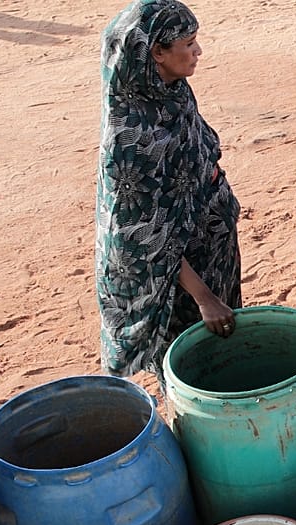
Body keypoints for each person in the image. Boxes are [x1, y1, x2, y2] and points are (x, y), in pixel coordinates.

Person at [95, 0, 240, 381]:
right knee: (193, 368)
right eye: (189, 44)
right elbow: (146, 239)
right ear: (156, 52)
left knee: (226, 356)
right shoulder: (132, 140)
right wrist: (204, 298)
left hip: (211, 251)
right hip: (182, 284)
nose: (198, 52)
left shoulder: (172, 92)